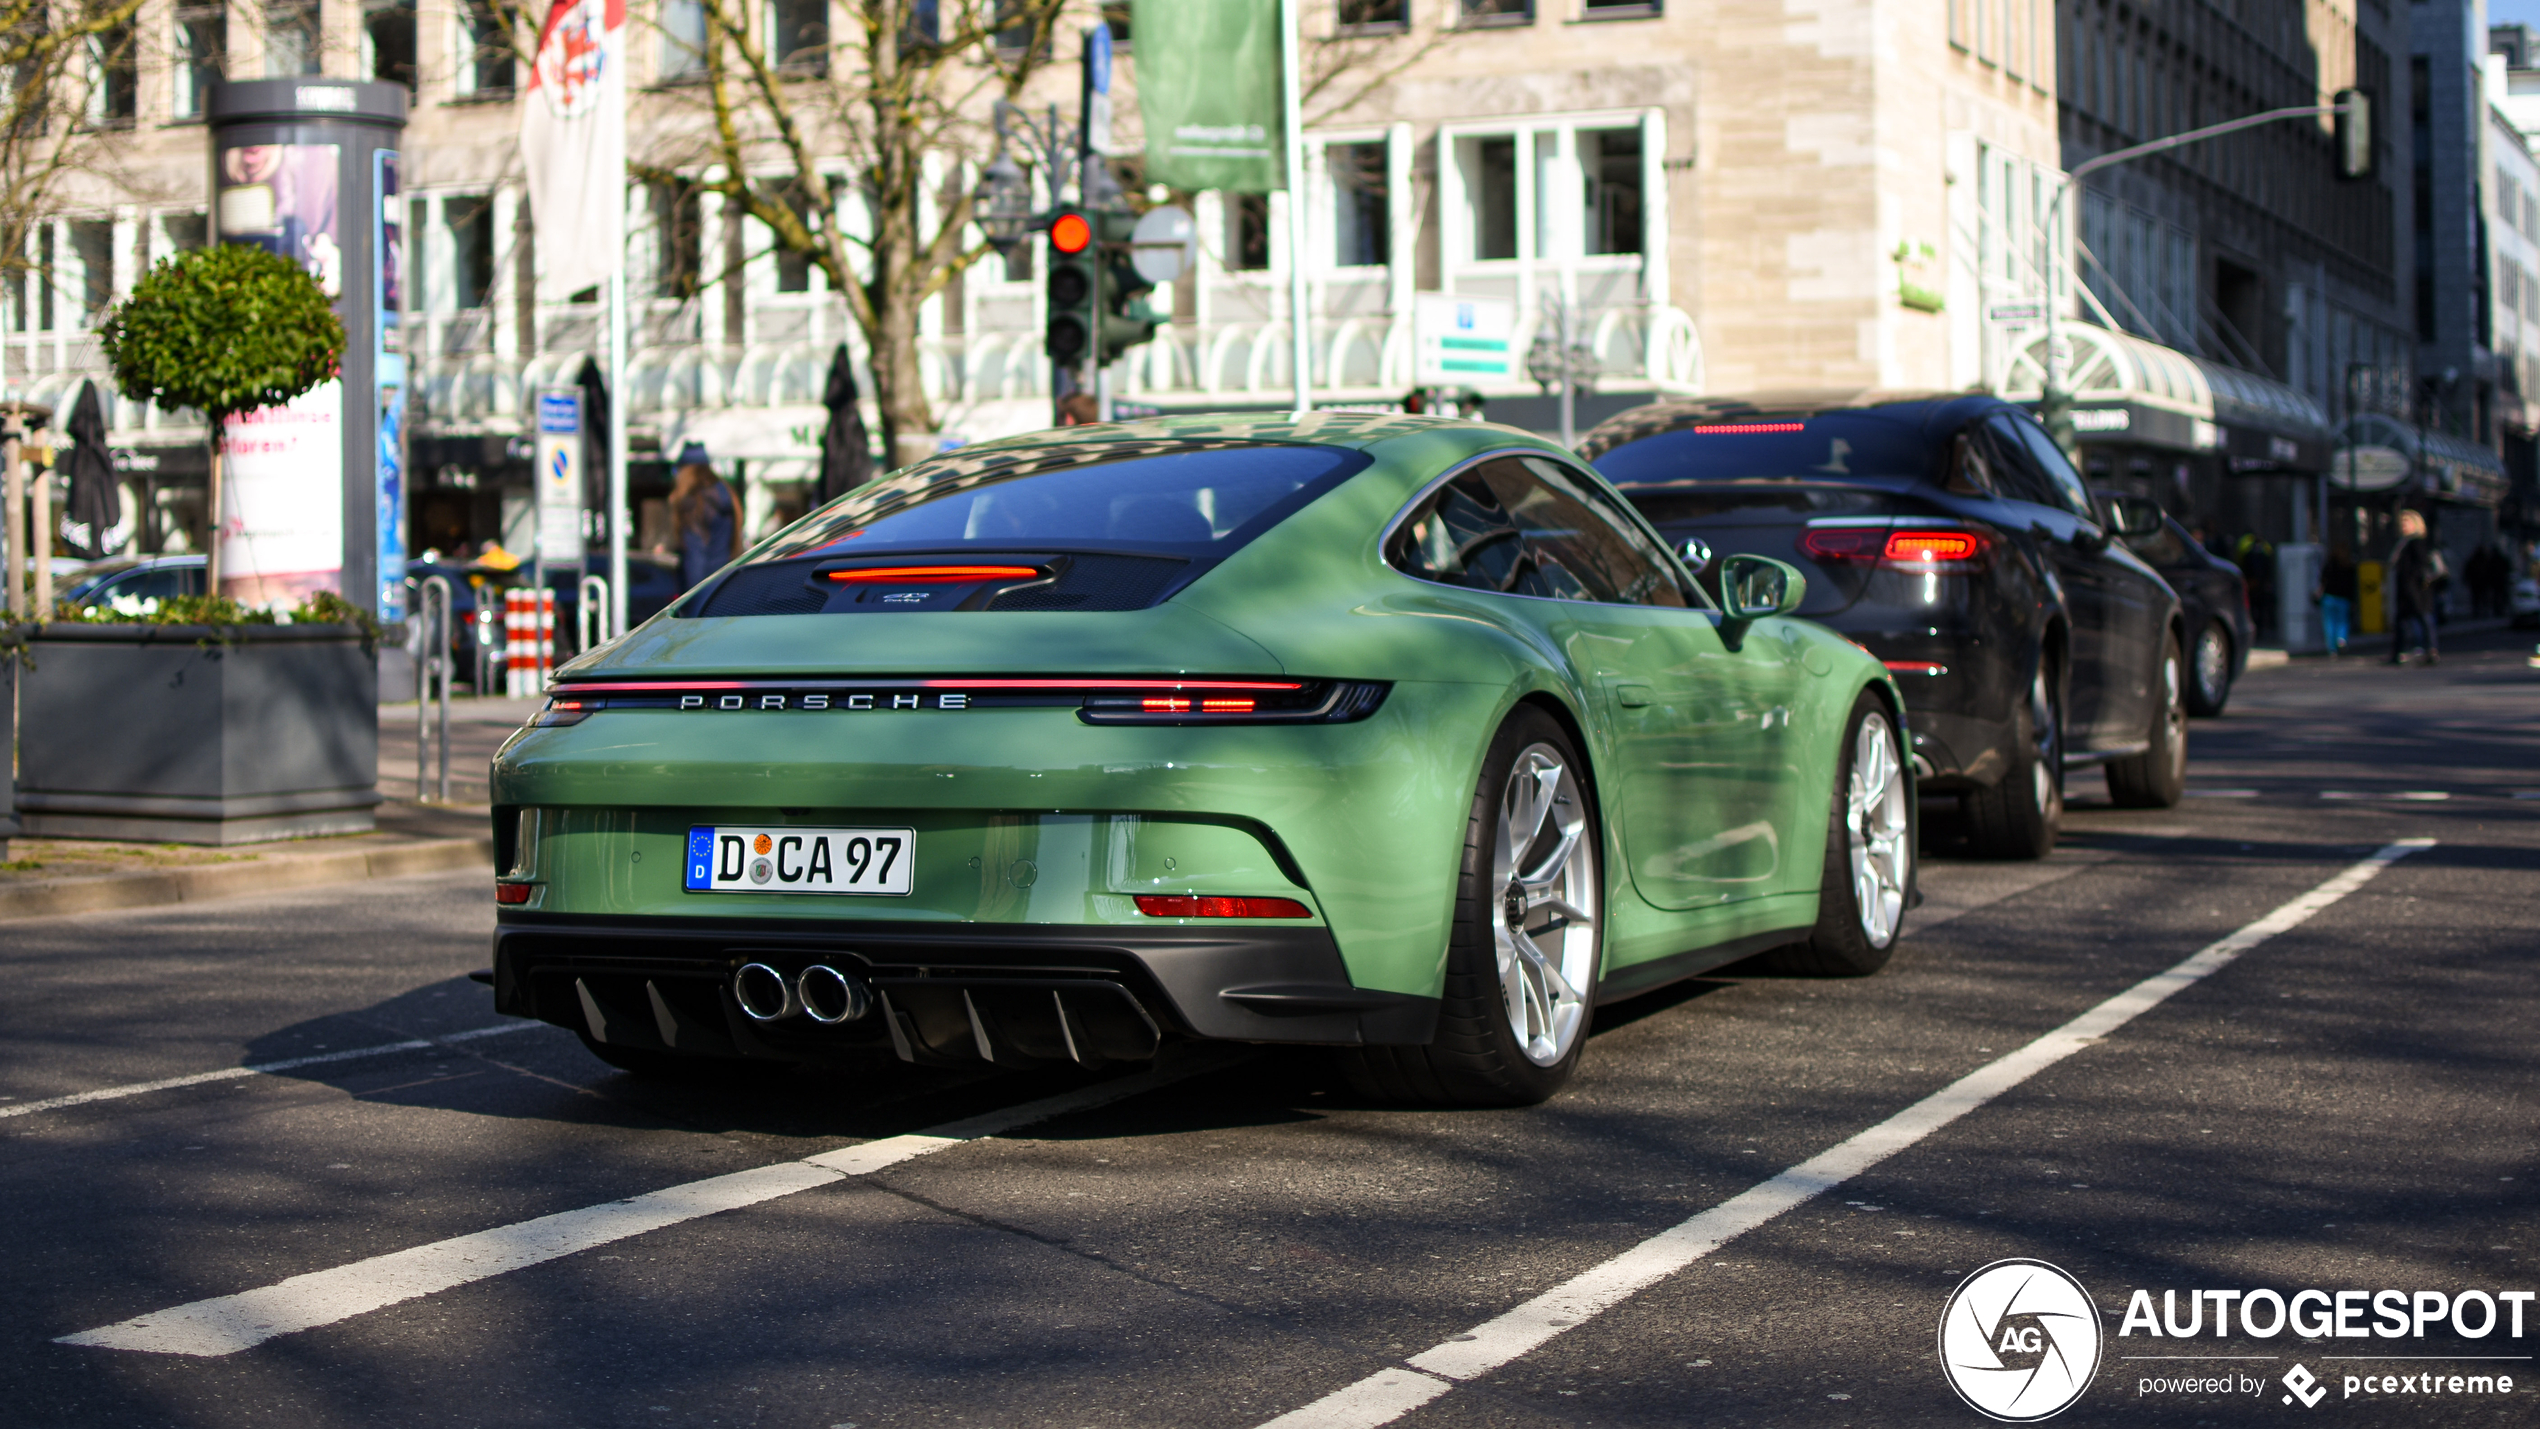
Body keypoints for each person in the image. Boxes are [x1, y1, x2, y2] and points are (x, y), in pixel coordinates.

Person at [665, 443, 741, 592]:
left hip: (703, 594)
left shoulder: (693, 503)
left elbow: (695, 558)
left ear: (686, 471)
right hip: (725, 585)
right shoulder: (726, 495)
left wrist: (690, 602)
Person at [2387, 508, 2444, 665]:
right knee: (2403, 621)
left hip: (2415, 588)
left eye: (2407, 522)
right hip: (2408, 588)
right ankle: (2398, 652)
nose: (2404, 526)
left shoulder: (2417, 542)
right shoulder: (2404, 542)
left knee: (2422, 618)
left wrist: (2416, 580)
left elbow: (2420, 564)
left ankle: (2430, 650)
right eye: (2402, 523)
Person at [2317, 544, 2357, 655]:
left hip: (2329, 597)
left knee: (2329, 623)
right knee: (2342, 621)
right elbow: (2352, 585)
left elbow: (2322, 580)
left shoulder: (2330, 564)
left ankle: (2332, 648)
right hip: (2343, 598)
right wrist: (2353, 600)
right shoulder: (2349, 565)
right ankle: (2341, 639)